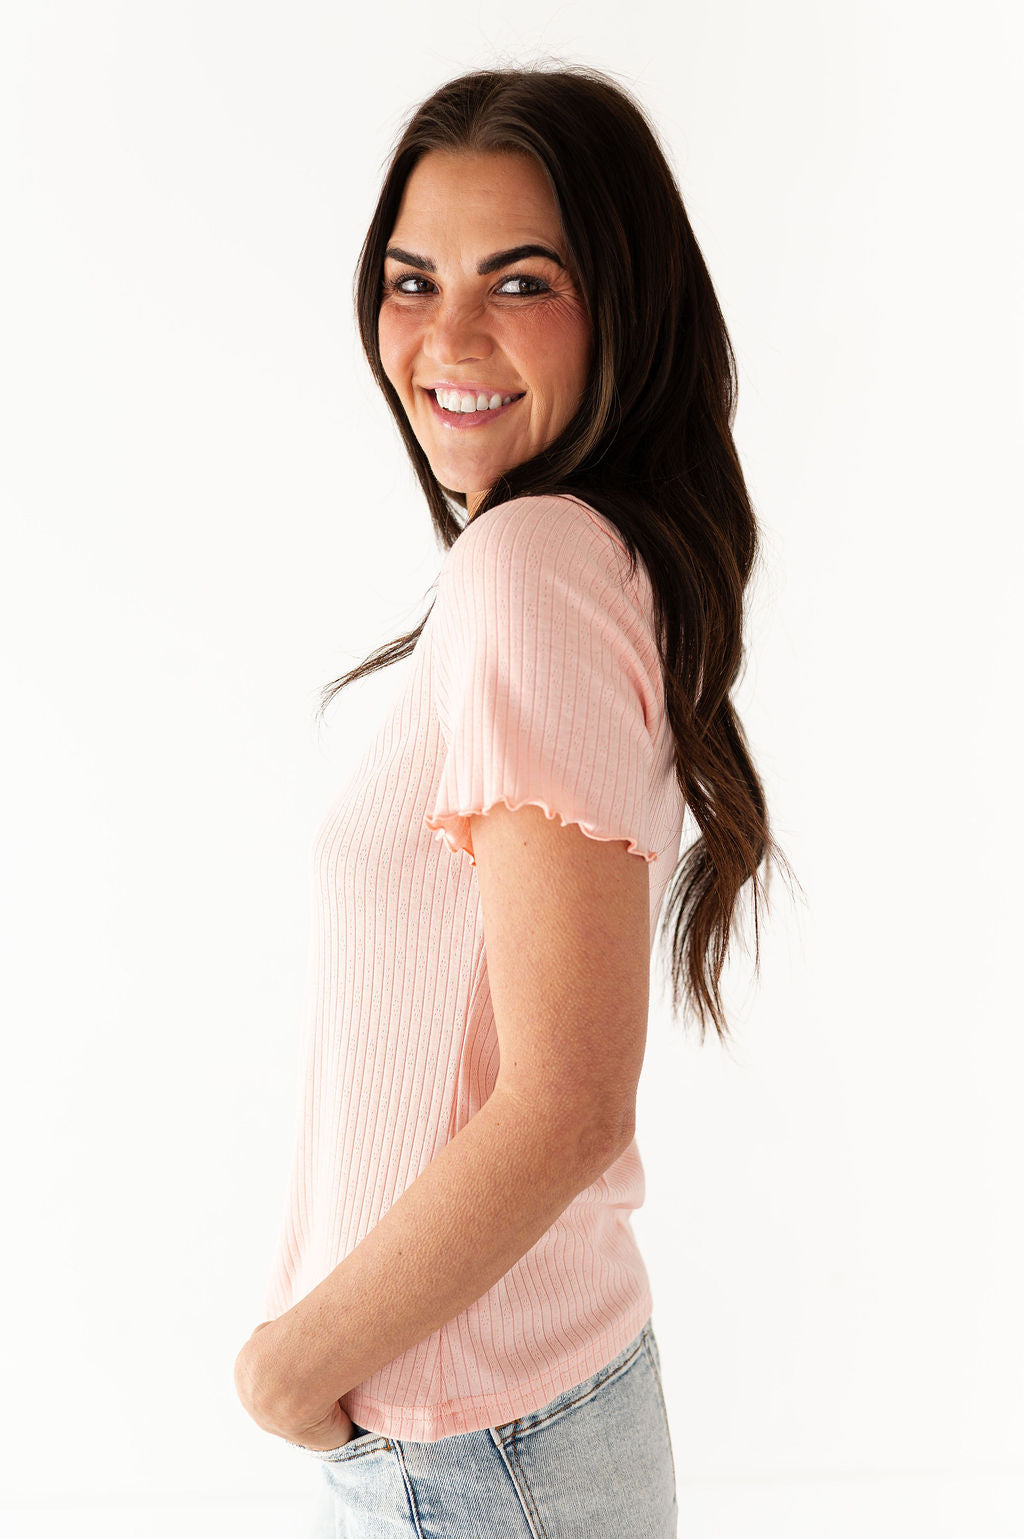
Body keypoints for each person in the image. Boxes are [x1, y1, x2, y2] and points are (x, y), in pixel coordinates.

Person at [233, 62, 792, 1538]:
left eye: (522, 281)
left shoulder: (532, 569)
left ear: (623, 308)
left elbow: (569, 1100)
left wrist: (296, 1363)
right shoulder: (582, 558)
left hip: (473, 1446)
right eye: (413, 280)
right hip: (513, 1420)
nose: (448, 337)